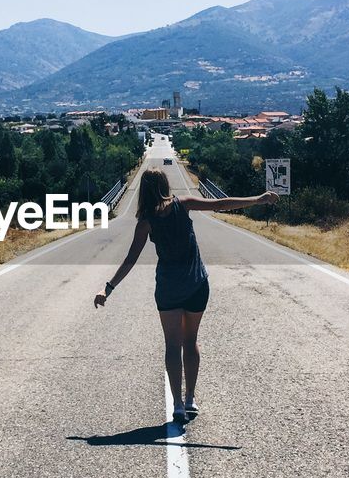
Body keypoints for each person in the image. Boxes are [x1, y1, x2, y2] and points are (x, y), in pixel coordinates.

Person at [94, 166, 278, 422]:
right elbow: (220, 205)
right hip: (196, 284)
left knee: (172, 345)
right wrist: (257, 199)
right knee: (190, 341)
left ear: (143, 192)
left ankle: (178, 404)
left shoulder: (146, 222)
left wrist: (108, 288)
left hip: (169, 289)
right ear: (165, 185)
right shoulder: (183, 204)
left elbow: (130, 260)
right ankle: (190, 397)